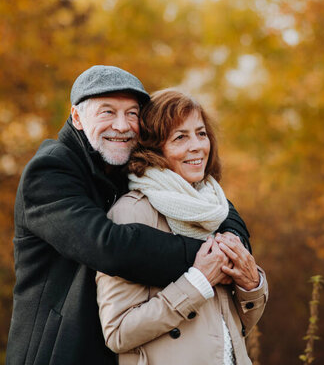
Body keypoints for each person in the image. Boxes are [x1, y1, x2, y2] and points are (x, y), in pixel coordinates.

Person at [5, 66, 252, 365]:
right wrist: (207, 259)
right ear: (78, 117)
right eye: (107, 112)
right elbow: (108, 246)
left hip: (121, 349)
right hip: (60, 350)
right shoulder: (51, 171)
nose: (121, 126)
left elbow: (213, 207)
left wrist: (234, 246)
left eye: (132, 114)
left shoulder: (126, 164)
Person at [96, 89, 268, 365]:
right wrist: (197, 283)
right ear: (154, 149)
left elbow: (235, 325)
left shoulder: (213, 206)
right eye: (180, 137)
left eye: (201, 133)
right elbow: (118, 332)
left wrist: (252, 285)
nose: (198, 146)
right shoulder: (133, 212)